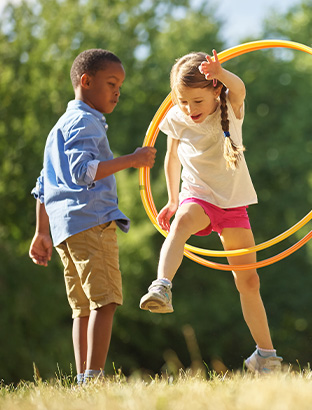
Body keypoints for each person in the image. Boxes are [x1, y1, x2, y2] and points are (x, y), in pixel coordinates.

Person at [139, 50, 282, 373]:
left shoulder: (230, 106)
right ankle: (161, 285)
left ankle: (265, 355)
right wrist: (174, 199)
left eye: (197, 102)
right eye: (183, 101)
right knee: (181, 224)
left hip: (233, 204)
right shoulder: (177, 116)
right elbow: (171, 158)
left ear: (216, 89)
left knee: (248, 282)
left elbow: (240, 87)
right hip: (198, 196)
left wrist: (221, 71)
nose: (190, 110)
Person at [29, 49, 156, 384]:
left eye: (120, 86)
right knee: (107, 300)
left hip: (64, 229)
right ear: (86, 81)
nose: (117, 92)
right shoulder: (84, 122)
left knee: (82, 307)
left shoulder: (59, 127)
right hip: (90, 221)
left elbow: (44, 184)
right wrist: (132, 159)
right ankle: (95, 375)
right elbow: (85, 172)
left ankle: (85, 378)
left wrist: (42, 232)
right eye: (111, 83)